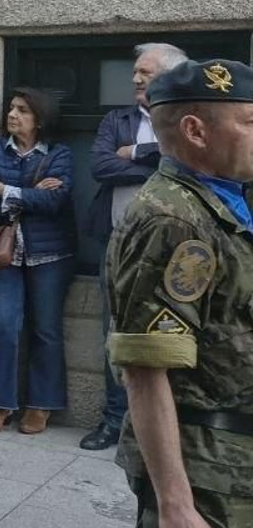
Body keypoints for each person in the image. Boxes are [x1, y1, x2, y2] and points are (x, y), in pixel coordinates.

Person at [103, 57, 253, 528]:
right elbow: (145, 369)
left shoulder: (232, 198)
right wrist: (175, 505)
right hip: (204, 461)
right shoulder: (172, 219)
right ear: (196, 129)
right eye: (250, 123)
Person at [81, 42, 187, 451]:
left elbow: (185, 163)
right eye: (136, 74)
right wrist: (152, 160)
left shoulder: (184, 118)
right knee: (114, 332)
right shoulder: (116, 119)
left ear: (171, 77)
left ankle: (164, 430)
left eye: (146, 72)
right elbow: (100, 166)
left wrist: (139, 151)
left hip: (171, 249)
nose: (137, 79)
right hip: (117, 245)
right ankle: (114, 421)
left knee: (169, 333)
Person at [0, 87, 76, 435]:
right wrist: (30, 195)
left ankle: (41, 404)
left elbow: (56, 202)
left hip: (51, 253)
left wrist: (7, 191)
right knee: (2, 324)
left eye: (23, 110)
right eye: (11, 109)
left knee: (46, 328)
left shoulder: (60, 154)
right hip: (2, 255)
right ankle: (0, 403)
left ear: (40, 120)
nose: (13, 115)